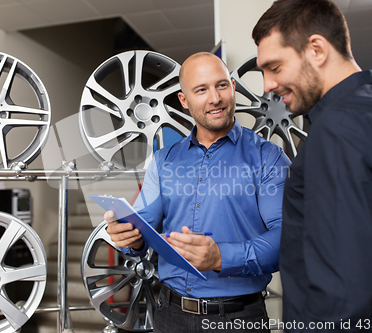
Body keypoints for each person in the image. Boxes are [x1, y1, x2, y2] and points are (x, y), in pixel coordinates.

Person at [252, 0, 372, 331]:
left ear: (317, 50)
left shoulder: (339, 130)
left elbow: (339, 293)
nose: (267, 85)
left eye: (275, 67)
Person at [105, 52, 290, 332]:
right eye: (201, 90)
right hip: (170, 315)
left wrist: (220, 258)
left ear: (233, 88)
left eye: (222, 85)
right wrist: (128, 238)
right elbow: (143, 228)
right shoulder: (164, 161)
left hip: (239, 319)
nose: (214, 98)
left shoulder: (269, 158)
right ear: (184, 100)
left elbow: (288, 239)